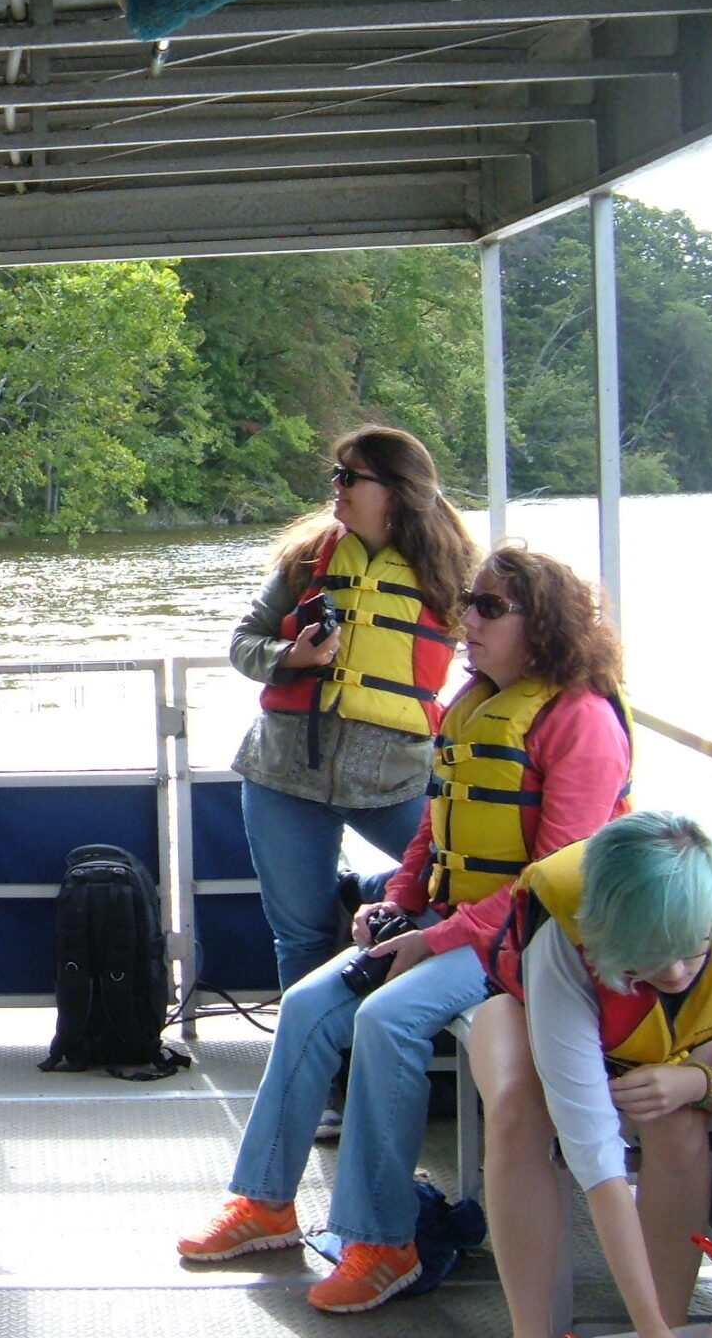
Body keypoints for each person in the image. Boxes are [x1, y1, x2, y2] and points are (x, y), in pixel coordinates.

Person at [179, 546, 629, 1315]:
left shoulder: (580, 721)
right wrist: (398, 898)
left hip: (531, 942)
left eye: (488, 608)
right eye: (468, 603)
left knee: (389, 1017)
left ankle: (385, 1240)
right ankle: (265, 1202)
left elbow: (553, 879)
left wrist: (438, 938)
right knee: (311, 1004)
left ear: (540, 624)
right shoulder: (475, 701)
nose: (466, 621)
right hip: (451, 919)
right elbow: (434, 827)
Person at [230, 426, 477, 995]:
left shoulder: (452, 569)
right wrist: (290, 655)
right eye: (335, 475)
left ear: (396, 488)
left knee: (459, 884)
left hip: (396, 776)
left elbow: (500, 657)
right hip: (285, 773)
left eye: (349, 477)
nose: (335, 487)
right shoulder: (305, 560)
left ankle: (364, 893)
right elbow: (244, 642)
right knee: (301, 935)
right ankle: (315, 1075)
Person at [470, 810, 712, 1338]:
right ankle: (532, 1332)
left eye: (691, 949)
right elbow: (596, 1156)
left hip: (688, 1052)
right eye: (649, 957)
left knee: (678, 1124)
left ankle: (665, 1322)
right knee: (516, 1109)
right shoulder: (564, 928)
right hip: (530, 1015)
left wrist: (699, 1081)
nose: (672, 973)